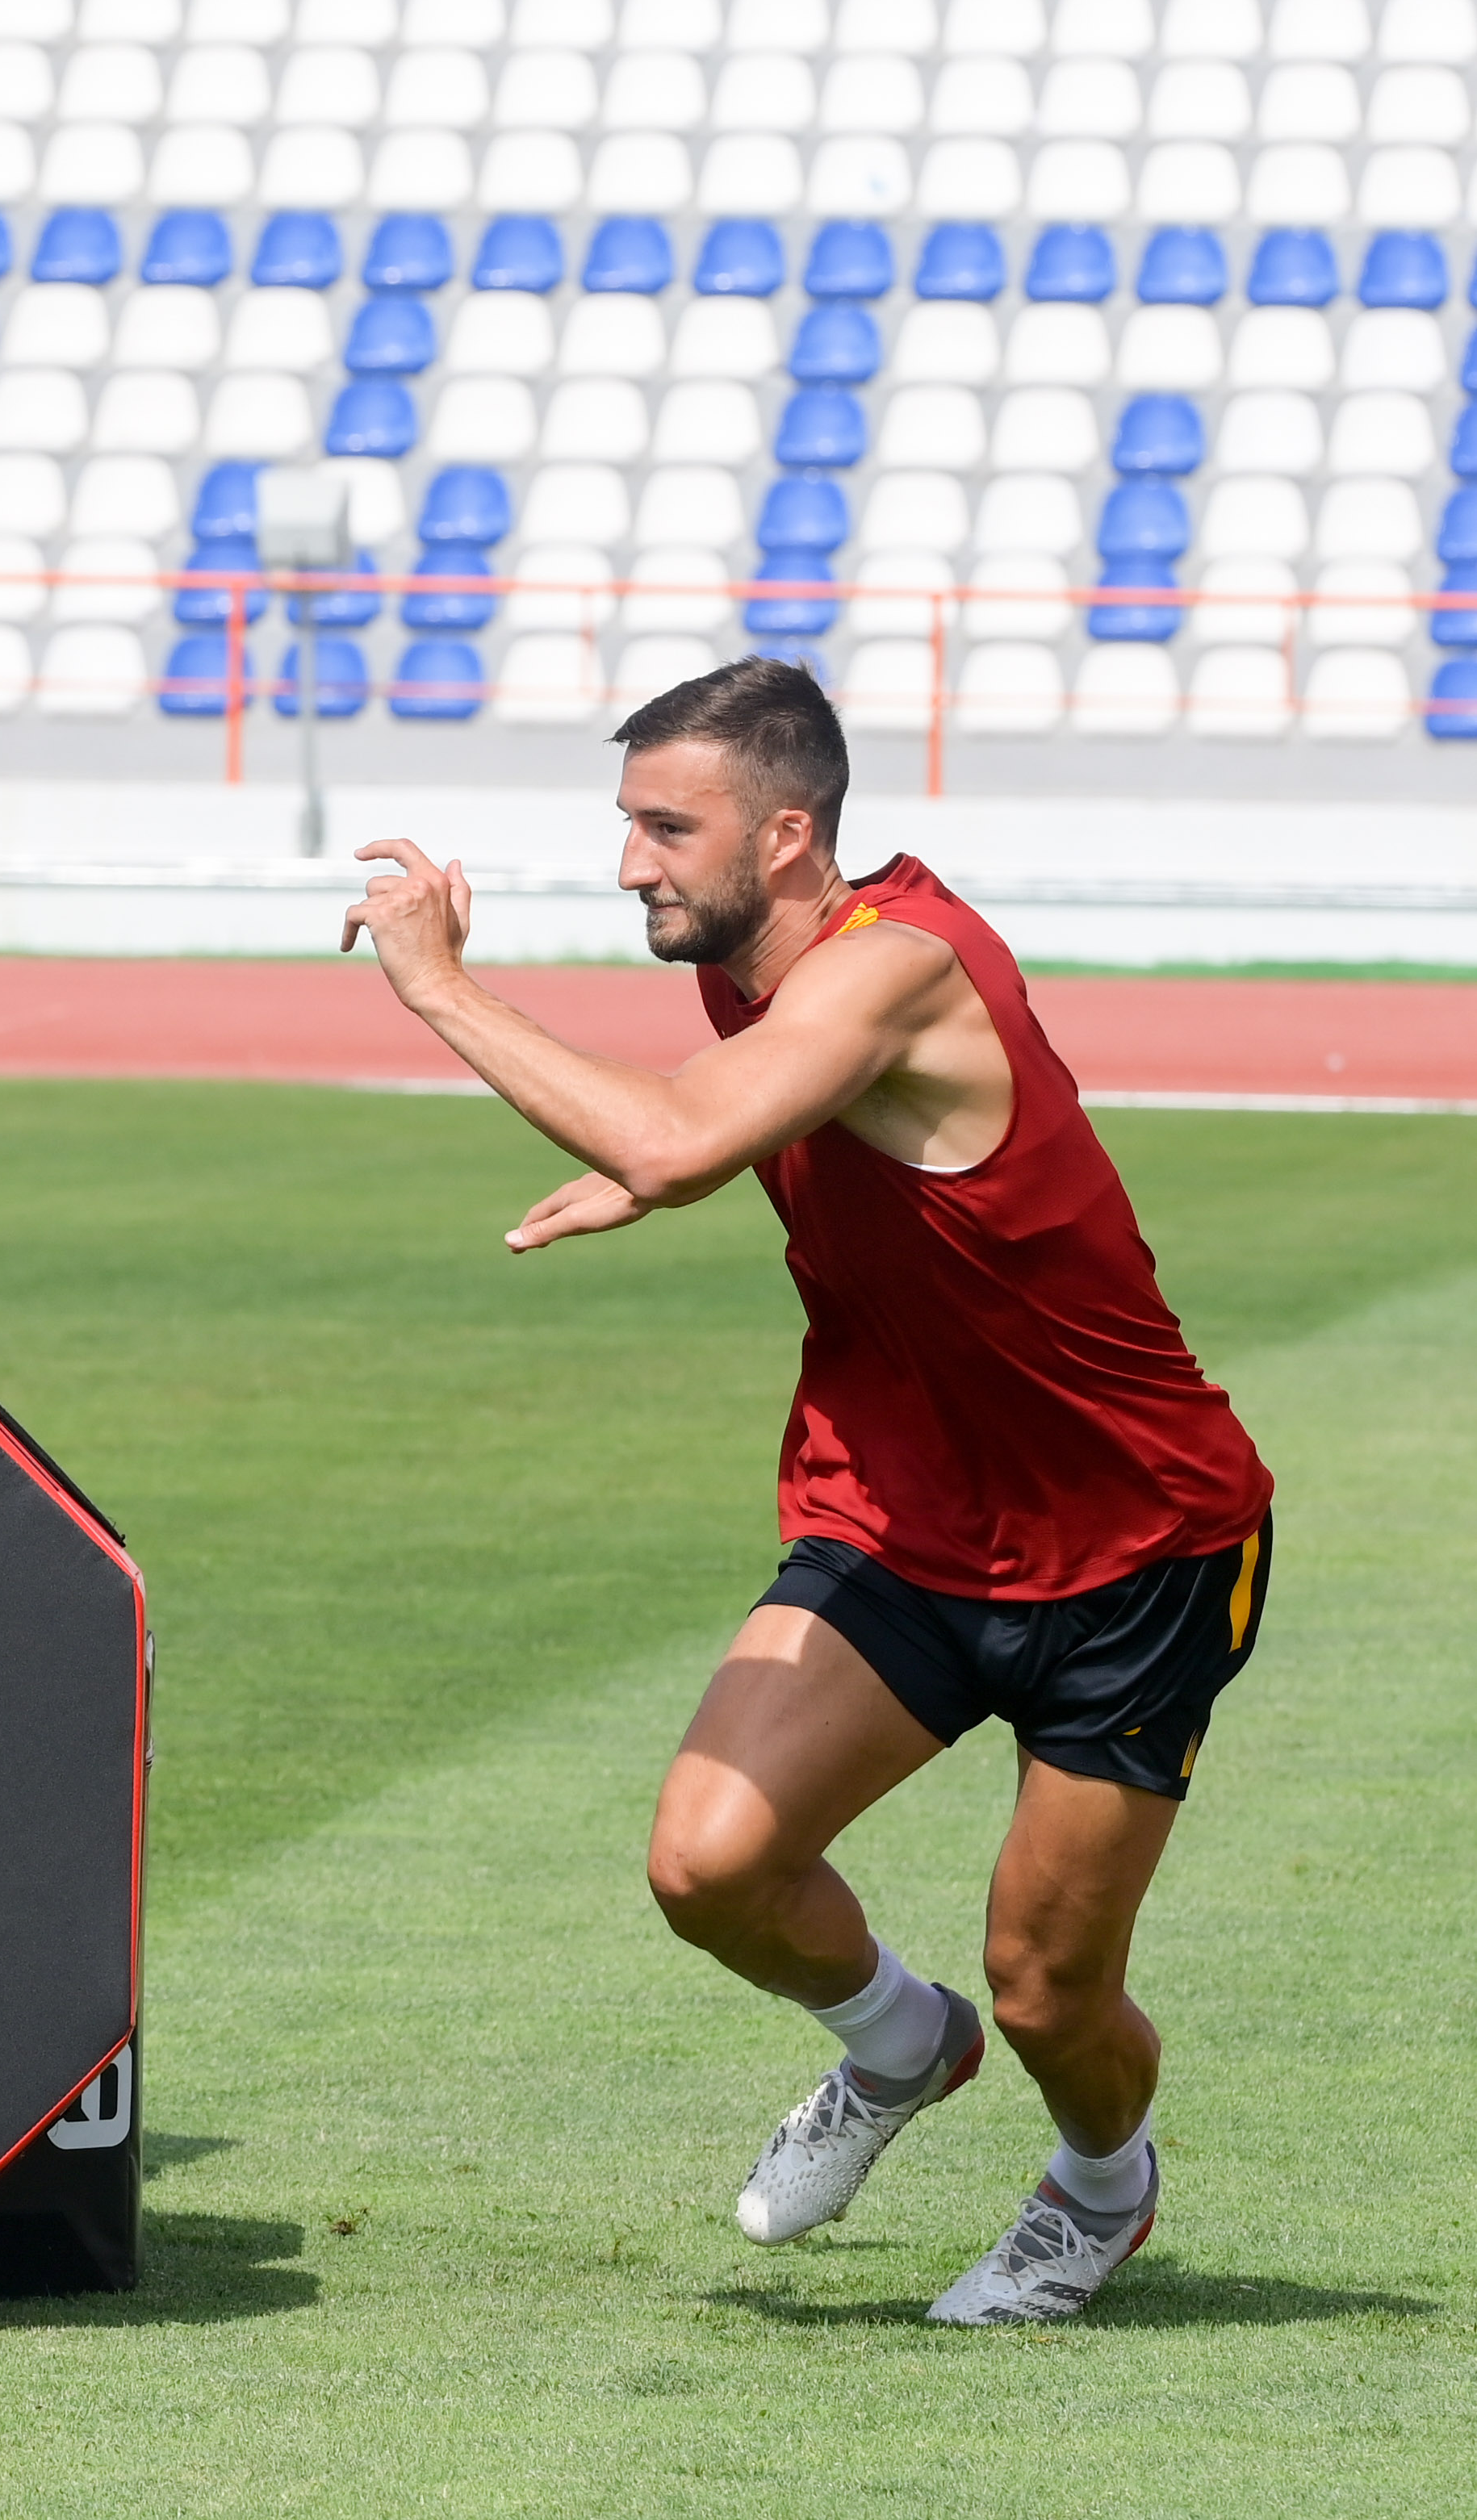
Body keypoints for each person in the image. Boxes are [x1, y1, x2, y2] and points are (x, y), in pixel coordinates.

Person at [338, 658, 1272, 2328]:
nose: (629, 862)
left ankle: (1095, 2189)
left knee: (1051, 1990)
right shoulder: (752, 962)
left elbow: (690, 1138)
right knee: (706, 1864)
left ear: (784, 836)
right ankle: (896, 2047)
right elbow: (751, 1132)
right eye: (624, 824)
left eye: (661, 828)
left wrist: (440, 990)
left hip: (1129, 1546)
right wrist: (658, 1166)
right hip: (898, 1516)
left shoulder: (892, 966)